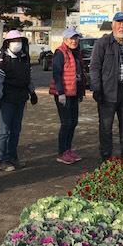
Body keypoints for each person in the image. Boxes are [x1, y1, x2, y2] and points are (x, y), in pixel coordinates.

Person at [89, 12, 123, 161]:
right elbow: (94, 68)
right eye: (118, 23)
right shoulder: (103, 43)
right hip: (108, 92)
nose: (121, 26)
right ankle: (106, 154)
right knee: (106, 126)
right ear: (113, 25)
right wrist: (97, 89)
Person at [0, 29, 38, 171]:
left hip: (20, 98)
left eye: (19, 41)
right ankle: (2, 159)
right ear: (7, 43)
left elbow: (27, 77)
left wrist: (32, 92)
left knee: (16, 130)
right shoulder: (2, 58)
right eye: (13, 41)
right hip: (6, 99)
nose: (17, 44)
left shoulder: (24, 57)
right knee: (5, 131)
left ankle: (12, 157)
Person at [49, 28, 86, 164]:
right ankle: (62, 152)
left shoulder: (76, 52)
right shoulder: (60, 52)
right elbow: (57, 73)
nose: (74, 41)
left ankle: (68, 149)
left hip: (73, 92)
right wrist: (60, 93)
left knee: (73, 122)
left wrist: (81, 92)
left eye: (76, 38)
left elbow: (80, 73)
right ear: (65, 40)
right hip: (63, 93)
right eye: (71, 38)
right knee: (66, 123)